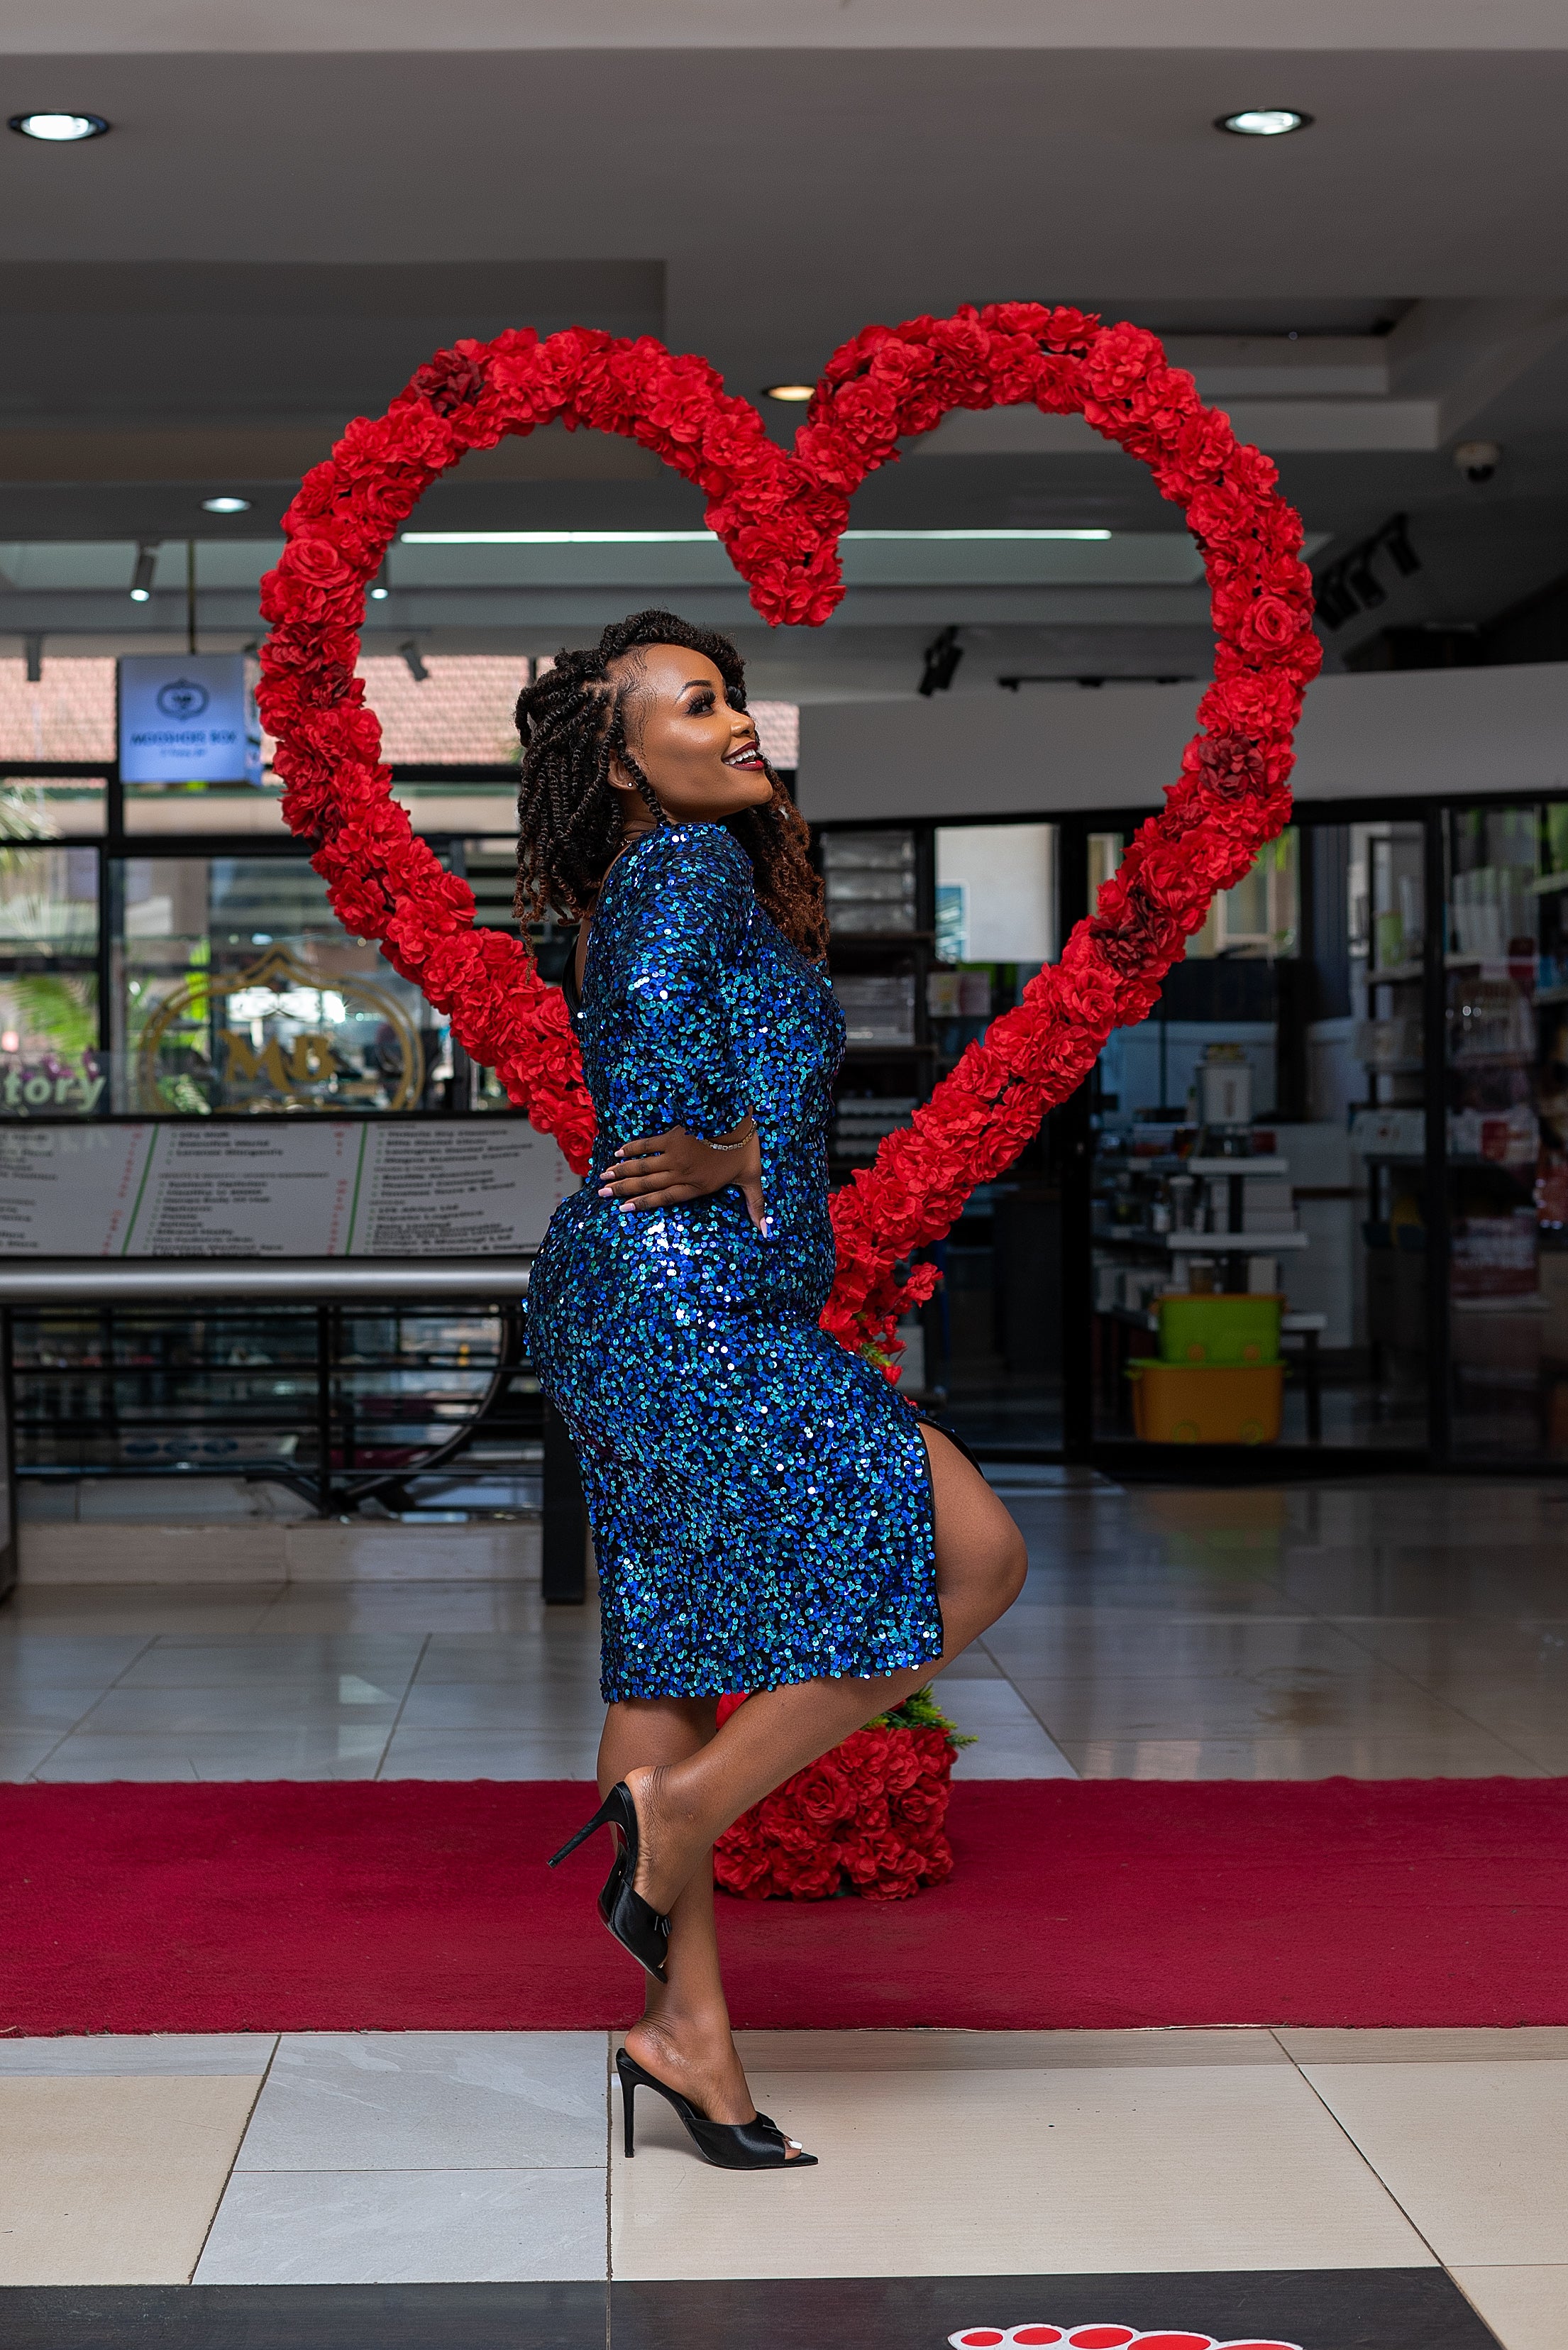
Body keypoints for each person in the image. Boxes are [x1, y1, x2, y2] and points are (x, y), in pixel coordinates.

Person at [518, 609, 1027, 2171]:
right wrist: (732, 1153)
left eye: (734, 696)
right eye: (696, 705)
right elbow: (666, 1089)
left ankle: (688, 2036)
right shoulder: (687, 870)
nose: (739, 722)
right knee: (976, 1556)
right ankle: (685, 1818)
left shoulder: (644, 885)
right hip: (679, 1290)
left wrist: (731, 1150)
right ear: (621, 760)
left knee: (665, 1653)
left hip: (634, 1286)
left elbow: (656, 1083)